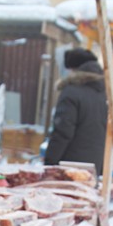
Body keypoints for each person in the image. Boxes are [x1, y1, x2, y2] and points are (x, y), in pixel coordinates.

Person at [44, 47, 108, 175]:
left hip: (69, 169)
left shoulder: (71, 93)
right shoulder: (103, 94)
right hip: (94, 167)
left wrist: (49, 163)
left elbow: (62, 133)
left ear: (73, 70)